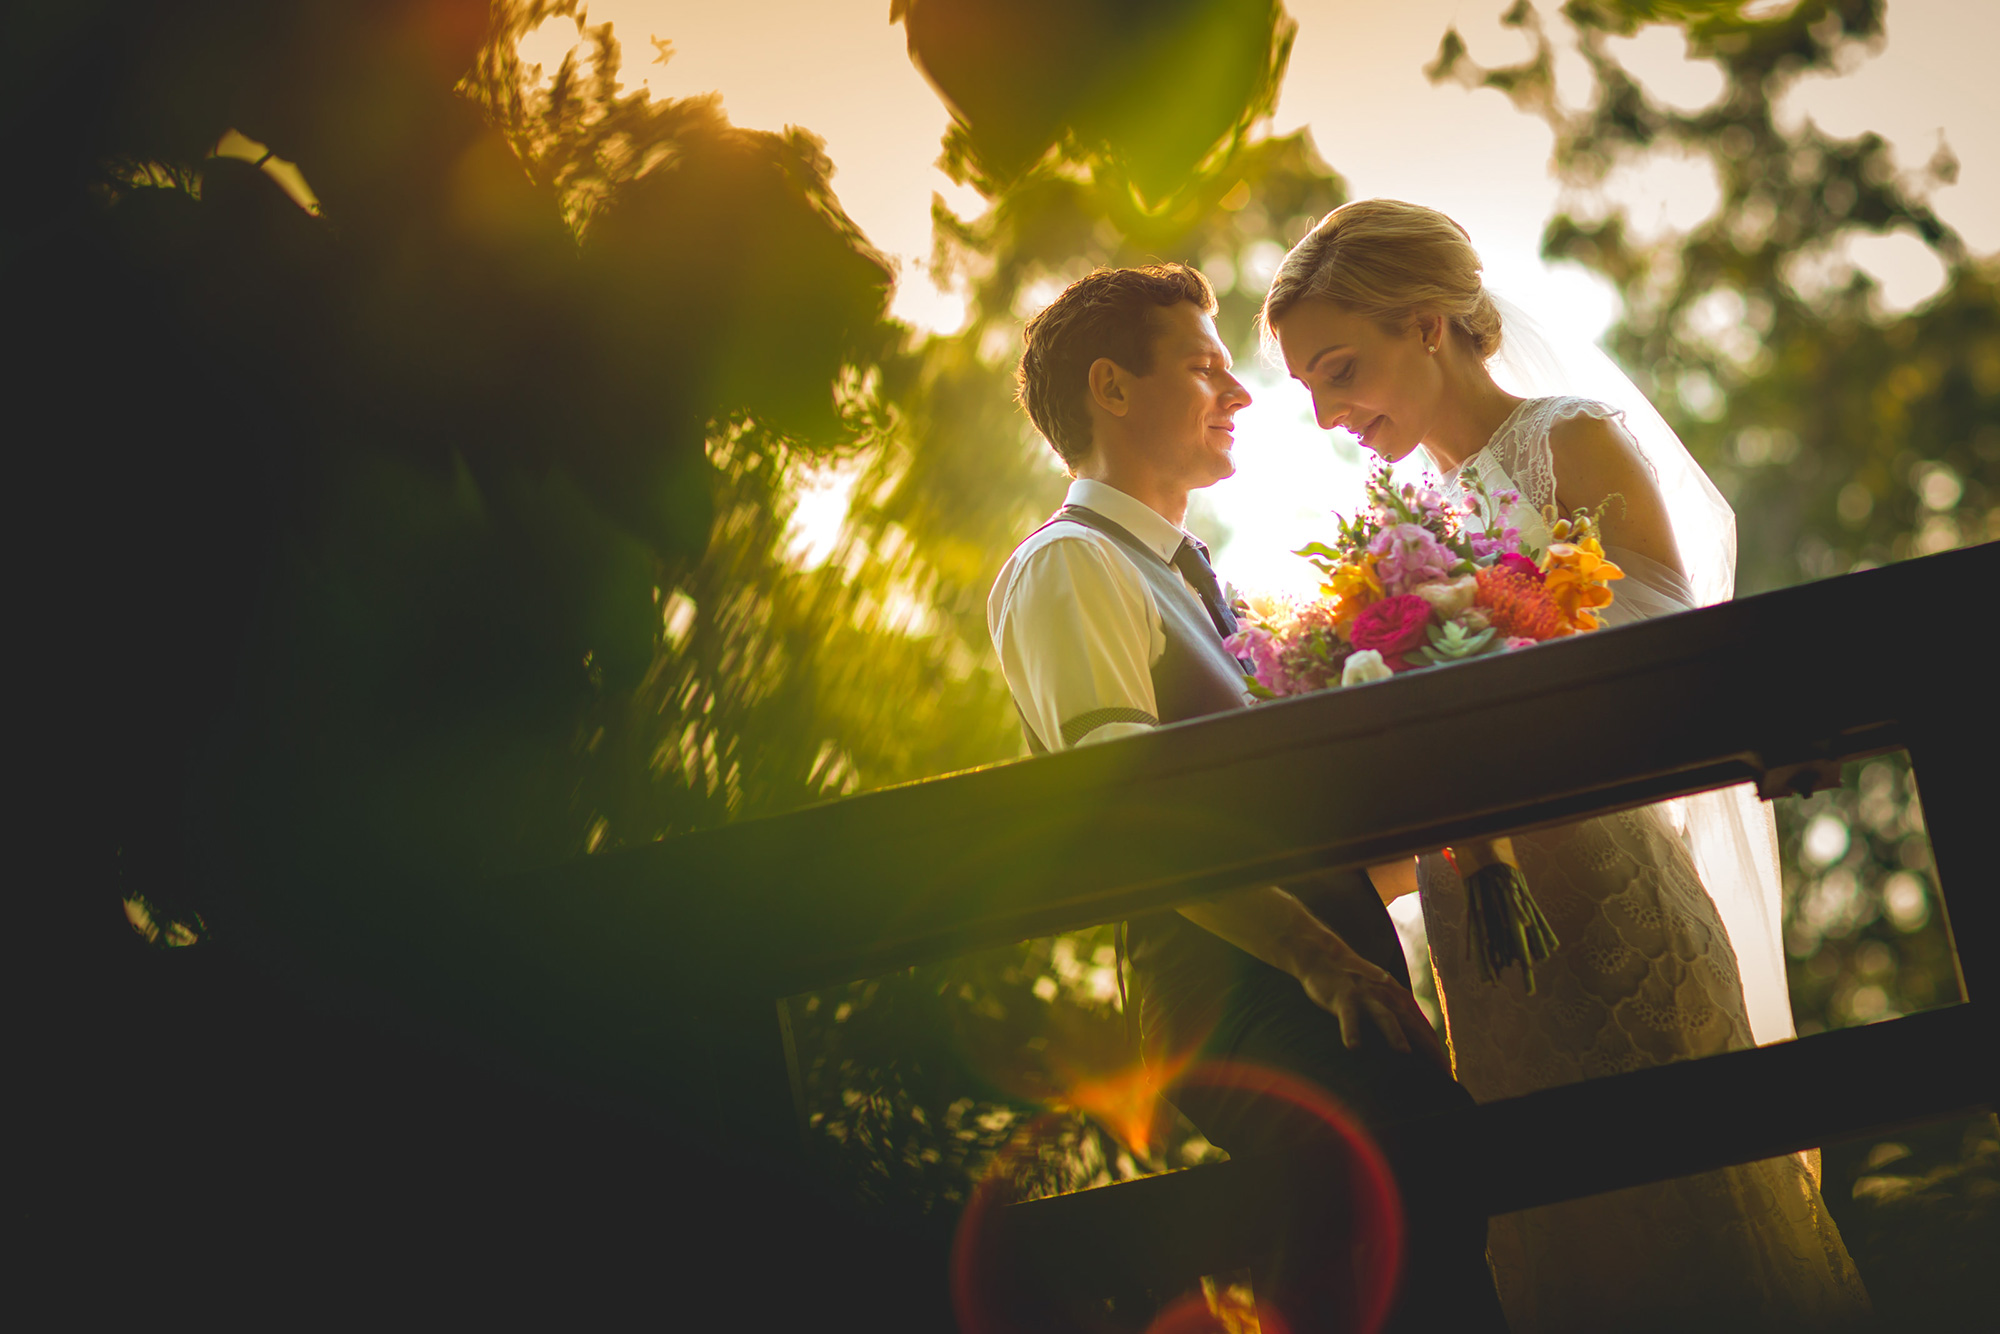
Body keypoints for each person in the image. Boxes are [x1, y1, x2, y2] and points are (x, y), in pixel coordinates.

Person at [1262, 198, 1871, 1333]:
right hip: (1477, 929)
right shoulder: (1407, 517)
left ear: (1429, 322)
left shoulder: (1569, 437)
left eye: (1338, 370)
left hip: (1604, 891)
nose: (1327, 412)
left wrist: (1472, 610)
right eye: (1307, 388)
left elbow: (1669, 641)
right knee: (1558, 1237)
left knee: (1682, 1211)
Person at [989, 263, 1509, 1333]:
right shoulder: (1069, 569)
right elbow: (1135, 819)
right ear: (1110, 387)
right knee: (1406, 1166)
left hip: (1322, 985)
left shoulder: (1194, 582)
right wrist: (1322, 958)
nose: (1238, 397)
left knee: (1422, 1210)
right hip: (1235, 1002)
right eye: (1203, 368)